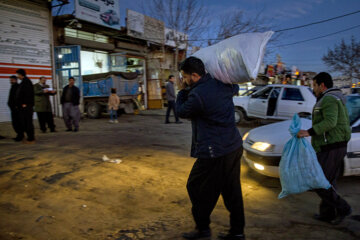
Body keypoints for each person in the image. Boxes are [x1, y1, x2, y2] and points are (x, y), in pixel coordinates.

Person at [176, 57, 245, 240]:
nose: (183, 79)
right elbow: (235, 88)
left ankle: (203, 230)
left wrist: (181, 92)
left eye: (185, 76)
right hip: (233, 145)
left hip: (215, 151)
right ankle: (237, 233)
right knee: (231, 190)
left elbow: (181, 111)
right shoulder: (220, 83)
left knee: (196, 187)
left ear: (195, 75)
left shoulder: (198, 96)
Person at [297, 72, 352, 225]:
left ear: (322, 85)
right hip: (332, 145)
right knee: (328, 181)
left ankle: (344, 208)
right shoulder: (329, 98)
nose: (313, 89)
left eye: (314, 85)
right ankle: (327, 214)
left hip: (332, 146)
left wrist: (309, 132)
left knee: (319, 182)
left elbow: (330, 122)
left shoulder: (329, 99)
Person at [15, 69, 35, 144]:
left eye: (18, 75)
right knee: (25, 122)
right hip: (24, 107)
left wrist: (25, 103)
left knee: (28, 122)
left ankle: (31, 138)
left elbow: (29, 94)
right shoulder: (24, 82)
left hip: (26, 107)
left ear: (21, 74)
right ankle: (29, 137)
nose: (17, 76)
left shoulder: (26, 82)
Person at [7, 75, 22, 141]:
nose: (11, 81)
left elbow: (18, 98)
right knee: (15, 123)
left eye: (12, 80)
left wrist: (16, 106)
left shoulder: (17, 87)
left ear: (15, 80)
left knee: (17, 122)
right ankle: (19, 134)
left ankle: (20, 135)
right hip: (13, 108)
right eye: (10, 80)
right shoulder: (13, 87)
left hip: (16, 109)